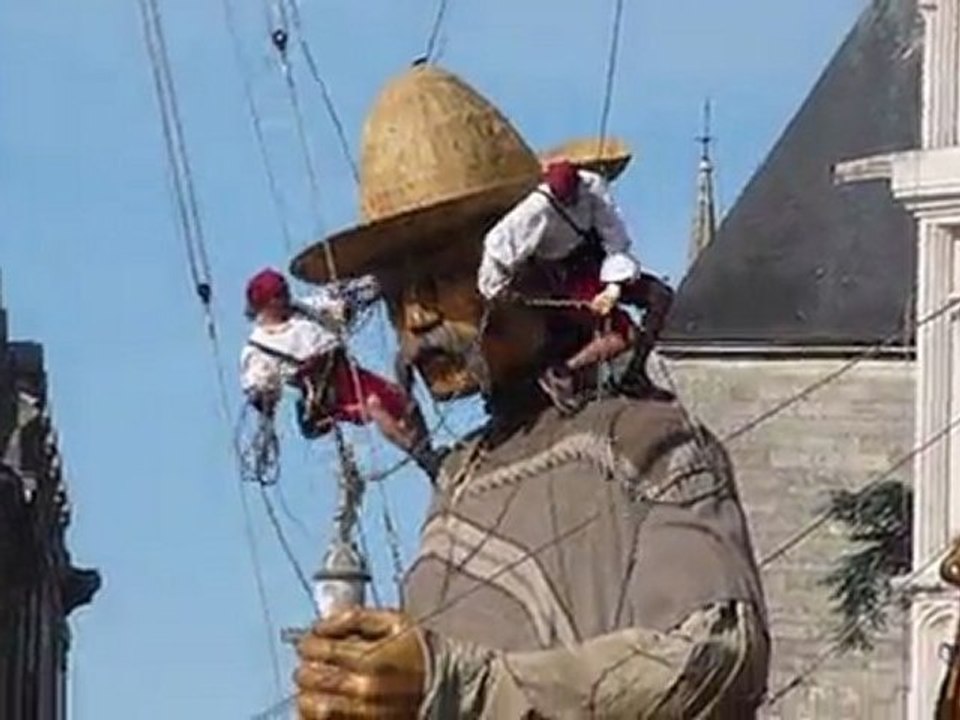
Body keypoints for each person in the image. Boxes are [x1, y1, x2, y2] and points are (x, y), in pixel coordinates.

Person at [477, 159, 674, 413]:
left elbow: (614, 234)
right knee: (623, 334)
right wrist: (496, 288)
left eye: (571, 197)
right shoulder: (537, 208)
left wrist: (613, 287)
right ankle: (561, 372)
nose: (568, 203)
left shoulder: (592, 186)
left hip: (600, 259)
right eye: (563, 199)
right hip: (568, 273)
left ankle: (636, 373)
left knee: (661, 297)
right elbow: (497, 243)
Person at [239, 268, 441, 475]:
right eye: (279, 296)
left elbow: (336, 304)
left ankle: (428, 449)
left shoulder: (304, 310)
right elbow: (259, 385)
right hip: (328, 394)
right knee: (374, 405)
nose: (286, 298)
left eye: (285, 292)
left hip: (350, 373)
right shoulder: (259, 346)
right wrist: (264, 396)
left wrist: (368, 288)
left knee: (404, 402)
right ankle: (424, 460)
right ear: (265, 304)